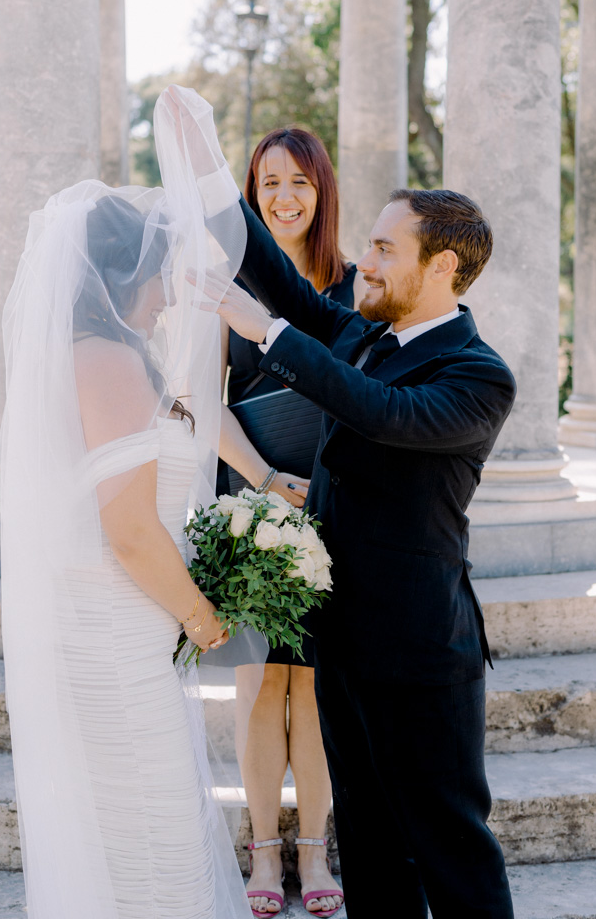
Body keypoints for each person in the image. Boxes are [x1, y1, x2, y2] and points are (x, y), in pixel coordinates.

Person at [166, 87, 517, 918]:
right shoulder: (365, 332)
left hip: (422, 649)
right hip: (342, 637)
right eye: (368, 245)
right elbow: (286, 285)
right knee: (366, 842)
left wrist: (268, 335)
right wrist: (214, 173)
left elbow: (383, 414)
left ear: (444, 268)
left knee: (450, 844)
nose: (365, 262)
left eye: (386, 249)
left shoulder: (476, 374)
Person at [0, 89, 261, 919]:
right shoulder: (104, 357)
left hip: (126, 629)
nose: (169, 290)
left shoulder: (114, 354)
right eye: (158, 270)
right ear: (122, 274)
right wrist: (201, 617)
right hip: (114, 630)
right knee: (153, 838)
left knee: (152, 827)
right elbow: (130, 529)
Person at [221, 128, 362, 919]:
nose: (283, 197)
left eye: (299, 181)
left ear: (322, 190)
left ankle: (316, 850)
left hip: (331, 511)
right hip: (248, 507)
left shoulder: (350, 291)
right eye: (268, 182)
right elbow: (198, 404)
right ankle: (263, 853)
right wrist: (266, 480)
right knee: (257, 685)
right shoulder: (228, 284)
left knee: (312, 691)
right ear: (251, 191)